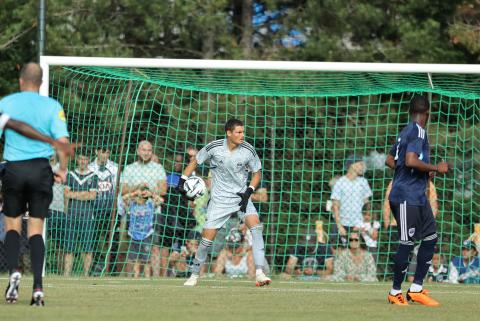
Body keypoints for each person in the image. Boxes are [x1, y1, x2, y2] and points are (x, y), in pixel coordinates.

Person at [0, 62, 73, 306]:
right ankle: (38, 289)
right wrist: (62, 170)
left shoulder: (6, 103)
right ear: (41, 83)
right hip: (41, 169)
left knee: (12, 225)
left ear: (21, 81)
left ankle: (14, 273)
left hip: (14, 168)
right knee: (35, 228)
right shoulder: (52, 106)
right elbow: (62, 141)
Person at [179, 118, 271, 287]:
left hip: (241, 197)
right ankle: (193, 275)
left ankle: (259, 272)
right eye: (239, 132)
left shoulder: (248, 150)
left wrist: (249, 191)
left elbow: (257, 173)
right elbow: (195, 161)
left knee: (256, 228)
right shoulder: (214, 147)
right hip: (219, 201)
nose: (242, 135)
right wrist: (182, 180)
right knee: (206, 241)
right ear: (229, 133)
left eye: (243, 132)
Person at [385, 95, 449, 306]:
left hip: (418, 196)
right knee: (406, 242)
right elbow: (411, 160)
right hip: (405, 197)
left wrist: (419, 174)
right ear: (428, 113)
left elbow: (390, 160)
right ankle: (395, 293)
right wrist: (435, 168)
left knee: (430, 237)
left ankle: (416, 289)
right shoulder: (417, 131)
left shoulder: (406, 130)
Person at [120, 140, 167, 276]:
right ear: (138, 151)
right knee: (130, 247)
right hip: (133, 213)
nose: (146, 153)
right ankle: (129, 277)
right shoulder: (130, 168)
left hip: (153, 212)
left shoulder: (157, 168)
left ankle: (155, 278)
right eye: (143, 150)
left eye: (149, 150)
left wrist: (150, 191)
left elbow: (163, 189)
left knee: (154, 246)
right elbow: (123, 190)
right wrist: (138, 188)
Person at [63, 153, 98, 277]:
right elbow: (66, 194)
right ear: (77, 159)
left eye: (85, 159)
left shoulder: (93, 176)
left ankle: (86, 275)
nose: (83, 161)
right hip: (72, 214)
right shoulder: (70, 175)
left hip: (87, 216)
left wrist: (75, 194)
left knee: (87, 248)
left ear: (88, 160)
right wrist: (84, 194)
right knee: (69, 248)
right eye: (81, 158)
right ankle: (66, 274)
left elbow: (92, 196)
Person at [88, 147, 118, 273]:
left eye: (107, 152)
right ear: (96, 152)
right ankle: (96, 266)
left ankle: (112, 269)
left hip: (111, 211)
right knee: (93, 240)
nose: (104, 154)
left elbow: (118, 189)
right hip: (93, 211)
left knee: (113, 240)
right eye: (102, 151)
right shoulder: (90, 168)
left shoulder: (115, 168)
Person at [331, 155, 372, 247]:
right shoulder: (340, 182)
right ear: (352, 165)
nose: (363, 167)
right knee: (340, 254)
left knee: (360, 255)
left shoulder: (363, 182)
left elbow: (367, 205)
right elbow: (335, 206)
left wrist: (365, 224)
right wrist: (339, 226)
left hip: (358, 225)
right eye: (361, 164)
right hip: (343, 224)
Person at [122, 185, 163, 278]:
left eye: (141, 196)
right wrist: (134, 193)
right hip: (133, 235)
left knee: (146, 260)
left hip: (146, 235)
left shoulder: (150, 205)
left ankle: (147, 276)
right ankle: (136, 276)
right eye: (138, 196)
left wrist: (151, 194)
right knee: (135, 259)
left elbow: (161, 201)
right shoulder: (132, 204)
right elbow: (123, 198)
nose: (139, 198)